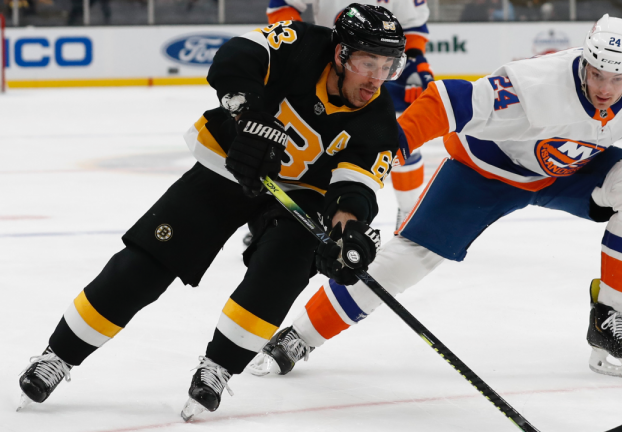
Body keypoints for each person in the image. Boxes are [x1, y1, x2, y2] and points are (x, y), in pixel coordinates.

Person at [248, 14, 622, 380]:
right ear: (584, 63)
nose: (605, 88)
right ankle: (300, 337)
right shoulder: (534, 86)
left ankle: (609, 317)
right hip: (484, 171)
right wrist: (387, 143)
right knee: (406, 261)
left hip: (568, 171)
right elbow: (447, 99)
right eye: (597, 74)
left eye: (617, 79)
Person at [17, 4, 406, 420]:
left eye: (388, 66)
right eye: (368, 63)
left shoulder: (380, 121)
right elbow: (236, 56)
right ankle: (58, 356)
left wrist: (348, 233)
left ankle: (217, 369)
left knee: (284, 268)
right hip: (230, 165)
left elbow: (354, 189)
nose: (376, 79)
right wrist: (250, 116)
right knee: (147, 262)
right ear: (340, 54)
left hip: (301, 197)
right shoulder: (298, 42)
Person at [261, 0, 434, 230]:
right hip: (330, 66)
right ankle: (271, 213)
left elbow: (413, 26)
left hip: (383, 67)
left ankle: (409, 213)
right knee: (303, 138)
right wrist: (301, 45)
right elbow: (282, 5)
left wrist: (415, 61)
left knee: (400, 140)